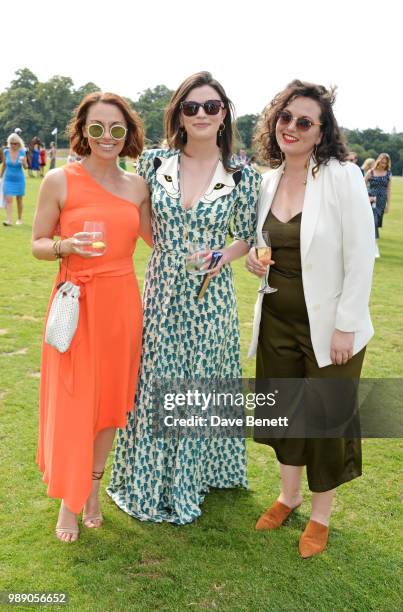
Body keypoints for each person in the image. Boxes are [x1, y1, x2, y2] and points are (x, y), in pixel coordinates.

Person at [108, 70, 261, 524]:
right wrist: (170, 253)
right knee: (155, 382)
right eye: (190, 106)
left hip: (211, 300)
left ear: (224, 114)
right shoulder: (153, 163)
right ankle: (150, 475)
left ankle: (192, 476)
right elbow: (138, 217)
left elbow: (248, 237)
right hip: (160, 294)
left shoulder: (242, 173)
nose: (200, 114)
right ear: (178, 113)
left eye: (210, 106)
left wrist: (220, 255)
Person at [246, 80, 375, 558]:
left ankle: (320, 517)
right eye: (285, 117)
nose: (291, 128)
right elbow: (265, 246)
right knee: (285, 413)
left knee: (327, 419)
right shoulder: (267, 179)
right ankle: (288, 496)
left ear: (321, 132)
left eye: (304, 121)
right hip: (276, 318)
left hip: (330, 327)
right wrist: (255, 263)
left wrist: (347, 324)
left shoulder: (342, 176)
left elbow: (363, 255)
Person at [32, 91, 152, 543]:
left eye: (116, 129)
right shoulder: (59, 180)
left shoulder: (138, 187)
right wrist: (66, 246)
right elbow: (39, 242)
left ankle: (93, 491)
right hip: (76, 304)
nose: (107, 137)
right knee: (75, 402)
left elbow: (160, 242)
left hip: (121, 306)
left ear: (128, 136)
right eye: (97, 127)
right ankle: (69, 500)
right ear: (82, 130)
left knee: (108, 406)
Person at [364, 153, 392, 258]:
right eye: (382, 162)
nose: (383, 164)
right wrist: (367, 197)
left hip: (381, 202)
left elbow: (389, 190)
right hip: (371, 200)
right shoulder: (370, 172)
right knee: (373, 223)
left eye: (385, 163)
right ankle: (374, 248)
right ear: (378, 161)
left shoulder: (388, 173)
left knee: (376, 223)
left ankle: (370, 245)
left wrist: (388, 205)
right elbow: (361, 185)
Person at [1, 133, 27, 226]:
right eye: (11, 143)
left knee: (19, 199)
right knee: (8, 199)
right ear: (9, 143)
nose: (13, 145)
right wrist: (0, 176)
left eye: (15, 143)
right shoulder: (6, 152)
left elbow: (26, 167)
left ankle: (19, 219)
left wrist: (24, 162)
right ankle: (9, 220)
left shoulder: (22, 152)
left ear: (19, 143)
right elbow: (4, 164)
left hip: (19, 179)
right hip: (8, 179)